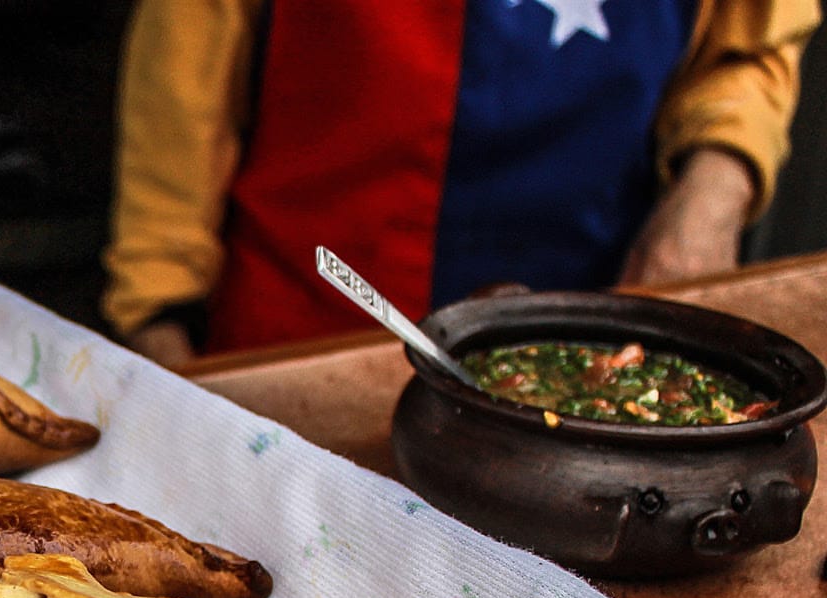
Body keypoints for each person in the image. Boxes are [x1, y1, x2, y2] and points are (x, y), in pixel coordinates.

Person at [103, 0, 822, 366]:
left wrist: (714, 187)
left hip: (593, 324)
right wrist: (158, 310)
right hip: (302, 333)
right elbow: (182, 84)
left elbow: (749, 48)